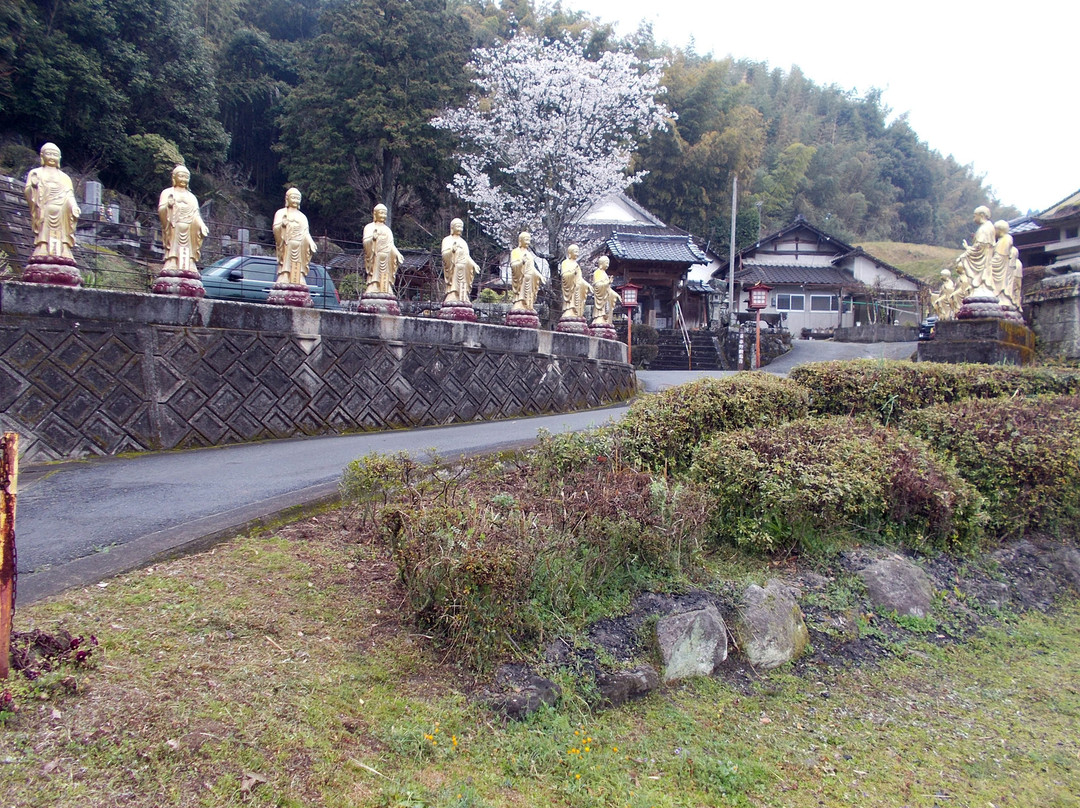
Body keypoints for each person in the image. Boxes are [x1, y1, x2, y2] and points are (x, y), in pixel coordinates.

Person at [24, 142, 80, 261]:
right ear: (42, 156)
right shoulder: (36, 173)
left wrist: (74, 206)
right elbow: (28, 192)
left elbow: (69, 195)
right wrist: (33, 187)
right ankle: (43, 246)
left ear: (59, 157)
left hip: (62, 207)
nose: (51, 157)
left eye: (55, 154)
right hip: (44, 205)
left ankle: (64, 248)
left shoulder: (65, 177)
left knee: (66, 215)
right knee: (45, 213)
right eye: (48, 154)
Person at [158, 165, 208, 274]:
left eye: (186, 177)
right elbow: (161, 210)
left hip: (190, 226)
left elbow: (196, 214)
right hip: (174, 225)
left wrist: (202, 225)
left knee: (190, 244)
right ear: (174, 178)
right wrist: (168, 206)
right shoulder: (167, 192)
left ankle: (190, 262)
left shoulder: (192, 197)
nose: (183, 179)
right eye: (180, 176)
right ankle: (172, 260)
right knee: (173, 236)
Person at [273, 188, 317, 285]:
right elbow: (276, 228)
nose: (295, 200)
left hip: (300, 242)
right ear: (287, 198)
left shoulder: (302, 216)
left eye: (298, 198)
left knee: (300, 260)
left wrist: (311, 242)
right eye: (293, 197)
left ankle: (299, 276)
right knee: (287, 255)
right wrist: (282, 225)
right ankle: (284, 275)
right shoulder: (281, 213)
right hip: (287, 241)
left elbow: (306, 232)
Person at [954, 206, 997, 297]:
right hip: (984, 258)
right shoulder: (986, 227)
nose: (974, 218)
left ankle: (980, 286)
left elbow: (980, 247)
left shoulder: (985, 228)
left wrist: (965, 254)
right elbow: (979, 246)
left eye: (975, 216)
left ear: (981, 215)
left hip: (983, 262)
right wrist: (968, 248)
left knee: (981, 279)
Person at [363, 203, 404, 296]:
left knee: (386, 274)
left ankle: (386, 287)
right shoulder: (369, 227)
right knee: (376, 272)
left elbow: (391, 245)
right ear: (375, 214)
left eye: (385, 214)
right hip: (376, 254)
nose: (383, 216)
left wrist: (397, 254)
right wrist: (372, 238)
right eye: (381, 213)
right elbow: (365, 241)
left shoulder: (387, 230)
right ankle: (373, 286)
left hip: (387, 256)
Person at [441, 218, 479, 304]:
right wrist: (452, 250)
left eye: (461, 227)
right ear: (452, 227)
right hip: (454, 266)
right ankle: (453, 293)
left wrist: (474, 264)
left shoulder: (463, 242)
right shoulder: (447, 240)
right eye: (457, 226)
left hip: (465, 266)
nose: (460, 229)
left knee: (465, 278)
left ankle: (463, 295)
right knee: (456, 272)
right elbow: (444, 254)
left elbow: (467, 256)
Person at [560, 244, 592, 319]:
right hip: (571, 287)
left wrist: (588, 285)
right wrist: (572, 273)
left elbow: (579, 278)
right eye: (575, 252)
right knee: (571, 303)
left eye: (578, 252)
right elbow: (564, 275)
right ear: (570, 253)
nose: (577, 254)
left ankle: (577, 312)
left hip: (578, 288)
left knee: (578, 303)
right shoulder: (565, 262)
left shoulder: (576, 264)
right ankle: (570, 310)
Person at [590, 256, 620, 326]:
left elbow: (608, 289)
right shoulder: (597, 273)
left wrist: (616, 295)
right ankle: (599, 318)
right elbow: (597, 286)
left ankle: (605, 318)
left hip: (606, 297)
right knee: (601, 312)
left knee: (607, 310)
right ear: (601, 263)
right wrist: (608, 283)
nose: (608, 265)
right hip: (600, 298)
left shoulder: (605, 274)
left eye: (608, 263)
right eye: (606, 263)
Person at [510, 232, 535, 303]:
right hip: (521, 278)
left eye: (529, 240)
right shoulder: (515, 252)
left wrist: (539, 275)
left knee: (529, 300)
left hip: (530, 278)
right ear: (521, 240)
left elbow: (532, 268)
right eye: (526, 240)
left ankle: (528, 303)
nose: (528, 242)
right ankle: (519, 300)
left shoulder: (529, 254)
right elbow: (513, 265)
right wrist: (521, 262)